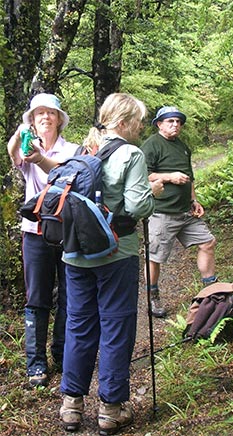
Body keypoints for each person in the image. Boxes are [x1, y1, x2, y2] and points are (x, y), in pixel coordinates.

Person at [59, 93, 157, 435]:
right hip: (117, 253)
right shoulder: (131, 154)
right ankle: (110, 410)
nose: (141, 127)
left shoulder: (84, 151)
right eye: (139, 121)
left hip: (75, 254)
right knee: (116, 327)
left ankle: (71, 405)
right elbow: (139, 206)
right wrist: (151, 192)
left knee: (79, 325)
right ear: (124, 122)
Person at [7, 93, 79, 387]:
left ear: (60, 119)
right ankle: (36, 363)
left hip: (65, 231)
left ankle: (62, 356)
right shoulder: (27, 148)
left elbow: (67, 176)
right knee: (36, 298)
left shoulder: (73, 150)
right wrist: (19, 135)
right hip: (34, 232)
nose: (46, 117)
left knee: (67, 296)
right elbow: (13, 155)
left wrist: (42, 159)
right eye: (39, 114)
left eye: (51, 113)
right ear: (33, 121)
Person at [141, 106, 217, 318]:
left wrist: (194, 199)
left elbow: (189, 176)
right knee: (155, 257)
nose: (175, 125)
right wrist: (168, 177)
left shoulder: (183, 147)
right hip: (161, 212)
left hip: (185, 212)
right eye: (170, 121)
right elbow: (142, 176)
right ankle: (152, 297)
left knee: (208, 242)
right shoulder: (151, 145)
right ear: (159, 124)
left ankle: (210, 290)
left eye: (178, 121)